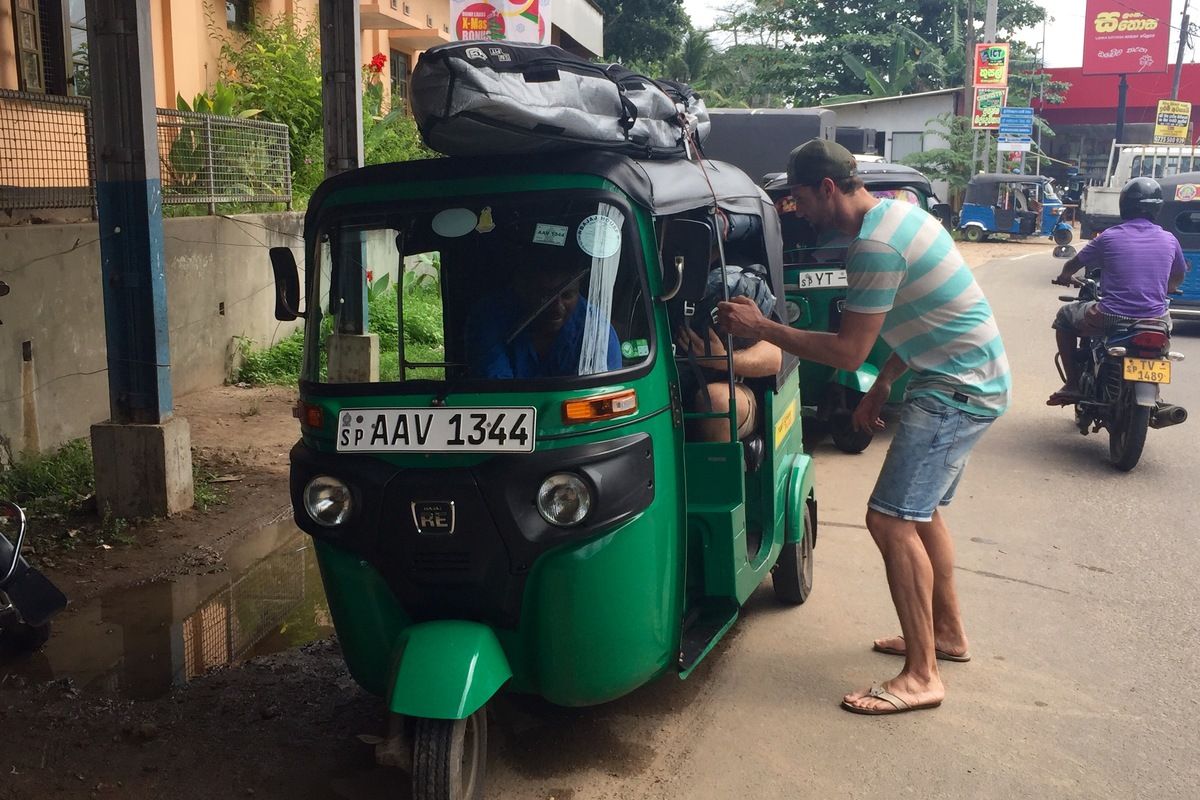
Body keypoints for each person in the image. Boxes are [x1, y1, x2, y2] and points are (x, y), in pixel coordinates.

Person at [718, 139, 1011, 716]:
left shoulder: (873, 247)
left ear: (828, 188)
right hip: (970, 377)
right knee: (920, 513)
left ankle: (922, 675)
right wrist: (881, 387)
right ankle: (947, 634)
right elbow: (924, 316)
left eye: (801, 198)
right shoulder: (900, 217)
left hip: (956, 389)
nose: (797, 210)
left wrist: (763, 327)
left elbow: (849, 351)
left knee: (890, 519)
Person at [1047, 177, 1188, 405]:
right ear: (1157, 208)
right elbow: (1179, 274)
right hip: (1157, 320)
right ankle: (1156, 394)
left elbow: (1074, 264)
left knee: (1064, 317)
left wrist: (1065, 276)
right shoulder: (1170, 239)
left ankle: (1072, 384)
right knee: (1159, 349)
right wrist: (1169, 288)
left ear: (1124, 205)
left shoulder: (1109, 236)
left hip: (1112, 316)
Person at [675, 219, 782, 441]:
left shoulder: (740, 280)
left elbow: (774, 356)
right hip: (661, 382)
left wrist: (721, 359)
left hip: (729, 387)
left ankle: (718, 463)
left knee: (717, 400)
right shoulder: (649, 269)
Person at [466, 260, 622, 379]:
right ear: (522, 289)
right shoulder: (492, 316)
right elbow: (496, 385)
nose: (557, 306)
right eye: (546, 296)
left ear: (578, 291)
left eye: (567, 296)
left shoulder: (597, 331)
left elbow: (599, 391)